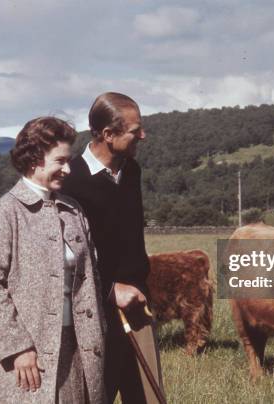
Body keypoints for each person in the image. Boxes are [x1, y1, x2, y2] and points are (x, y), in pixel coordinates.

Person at [0, 117, 107, 404]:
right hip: (27, 358)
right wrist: (17, 348)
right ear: (34, 159)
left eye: (68, 160)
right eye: (60, 161)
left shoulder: (73, 210)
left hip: (77, 351)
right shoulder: (3, 215)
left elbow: (91, 275)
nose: (68, 169)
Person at [62, 92, 165, 403]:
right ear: (108, 134)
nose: (143, 136)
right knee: (96, 395)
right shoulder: (71, 180)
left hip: (137, 302)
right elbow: (68, 257)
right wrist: (109, 289)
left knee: (147, 396)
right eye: (135, 131)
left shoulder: (131, 171)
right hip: (93, 312)